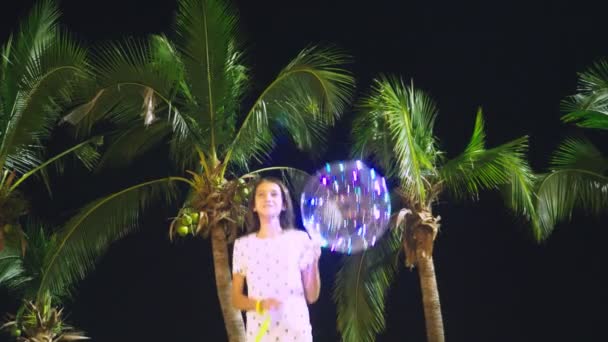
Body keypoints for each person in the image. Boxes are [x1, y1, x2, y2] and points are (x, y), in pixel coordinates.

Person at [231, 177, 321, 342]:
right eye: (261, 195)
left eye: (274, 194)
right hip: (261, 335)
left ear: (284, 204)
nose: (268, 199)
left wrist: (314, 261)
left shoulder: (300, 239)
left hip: (297, 334)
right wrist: (260, 305)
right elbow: (236, 299)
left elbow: (312, 296)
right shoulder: (242, 245)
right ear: (253, 206)